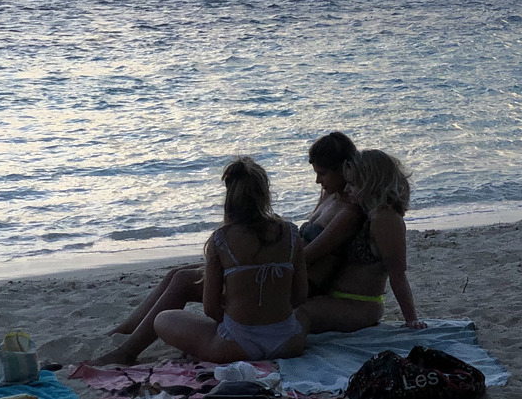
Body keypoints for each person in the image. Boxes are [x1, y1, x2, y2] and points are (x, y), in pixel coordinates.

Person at [95, 131, 357, 364]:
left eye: (322, 173)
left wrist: (249, 275)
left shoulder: (348, 210)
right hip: (283, 277)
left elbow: (309, 258)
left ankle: (129, 347)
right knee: (178, 273)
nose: (317, 181)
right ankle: (125, 331)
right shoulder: (327, 200)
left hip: (288, 276)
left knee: (184, 281)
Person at [153, 156, 310, 362]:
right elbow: (300, 296)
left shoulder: (221, 239)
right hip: (288, 342)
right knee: (304, 316)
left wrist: (234, 319)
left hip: (237, 344)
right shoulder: (290, 233)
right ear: (265, 194)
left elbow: (210, 308)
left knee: (163, 319)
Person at [297, 149, 425, 332]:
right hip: (334, 298)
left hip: (359, 304)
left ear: (372, 184)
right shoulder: (365, 211)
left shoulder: (385, 219)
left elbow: (398, 273)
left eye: (353, 184)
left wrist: (411, 319)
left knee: (300, 314)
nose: (347, 189)